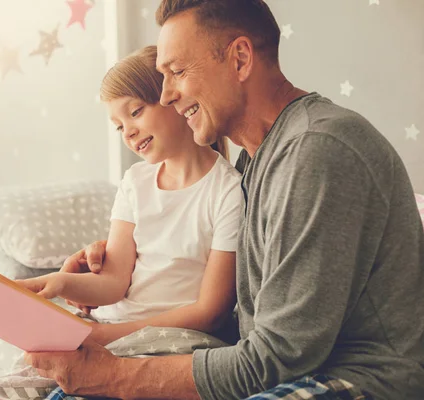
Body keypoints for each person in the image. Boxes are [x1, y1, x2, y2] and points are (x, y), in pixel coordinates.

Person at [25, 1, 424, 399]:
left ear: (240, 59)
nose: (165, 96)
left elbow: (278, 356)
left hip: (359, 377)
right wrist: (121, 265)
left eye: (177, 72)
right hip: (286, 368)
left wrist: (115, 375)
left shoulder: (316, 150)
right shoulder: (256, 162)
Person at [17, 45, 243, 346]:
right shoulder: (135, 182)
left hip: (169, 341)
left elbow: (210, 312)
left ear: (172, 98)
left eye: (135, 112)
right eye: (119, 127)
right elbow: (112, 282)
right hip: (110, 326)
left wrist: (104, 337)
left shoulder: (227, 192)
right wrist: (60, 283)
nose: (128, 133)